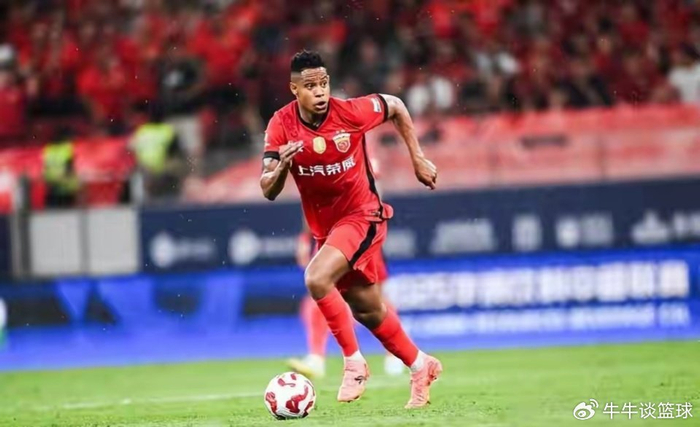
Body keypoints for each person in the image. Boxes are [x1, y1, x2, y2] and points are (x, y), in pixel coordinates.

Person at [260, 50, 440, 408]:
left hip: (363, 215)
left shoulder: (351, 113)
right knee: (367, 309)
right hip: (327, 230)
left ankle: (353, 364)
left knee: (316, 278)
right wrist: (281, 169)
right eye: (310, 86)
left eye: (323, 83)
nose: (320, 91)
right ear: (294, 89)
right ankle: (421, 365)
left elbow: (395, 105)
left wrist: (417, 157)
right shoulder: (281, 125)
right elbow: (267, 188)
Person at [287, 150, 405, 379]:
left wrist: (369, 226)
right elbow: (311, 198)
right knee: (318, 292)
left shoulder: (359, 150)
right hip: (328, 234)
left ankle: (395, 354)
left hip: (358, 231)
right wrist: (305, 237)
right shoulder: (319, 151)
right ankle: (317, 357)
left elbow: (374, 193)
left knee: (375, 300)